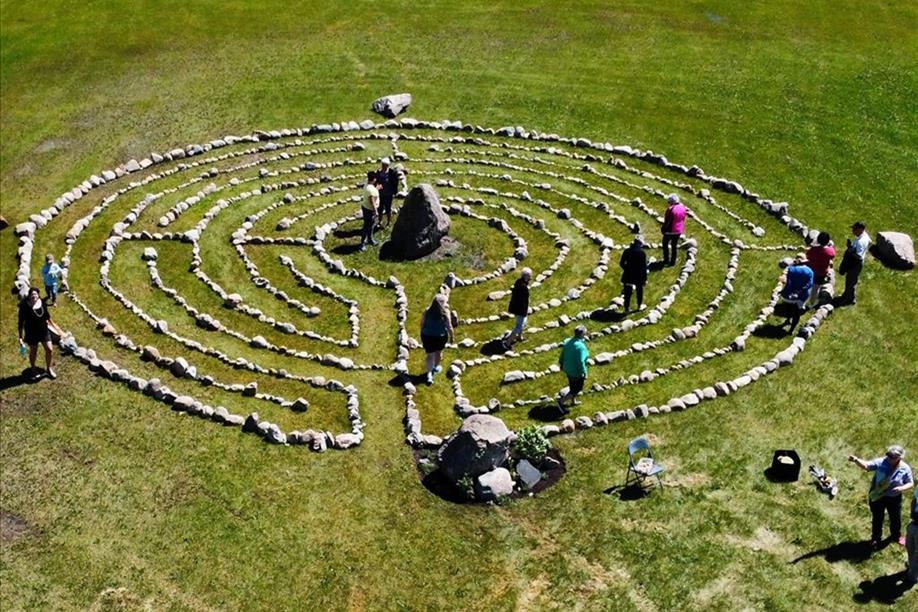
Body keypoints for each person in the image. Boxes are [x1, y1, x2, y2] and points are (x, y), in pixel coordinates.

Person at [848, 445, 914, 548]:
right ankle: (876, 538)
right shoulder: (881, 462)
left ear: (899, 457)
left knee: (895, 518)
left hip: (894, 498)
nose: (889, 458)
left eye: (892, 457)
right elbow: (867, 466)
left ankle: (896, 536)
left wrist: (901, 488)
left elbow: (910, 483)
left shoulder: (905, 468)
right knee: (877, 518)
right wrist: (856, 460)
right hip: (877, 495)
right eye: (888, 455)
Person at [17, 286, 63, 379]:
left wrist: (56, 328)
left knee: (49, 349)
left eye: (35, 294)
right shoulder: (24, 307)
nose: (34, 296)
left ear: (38, 295)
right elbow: (20, 323)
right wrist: (20, 337)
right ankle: (33, 369)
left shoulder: (41, 303)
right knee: (33, 352)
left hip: (43, 331)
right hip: (31, 333)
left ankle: (49, 369)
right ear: (29, 296)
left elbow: (47, 316)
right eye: (32, 294)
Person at [419, 293, 454, 385]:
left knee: (430, 355)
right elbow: (449, 326)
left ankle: (429, 375)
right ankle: (435, 367)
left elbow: (422, 323)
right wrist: (452, 336)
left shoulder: (427, 310)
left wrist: (423, 332)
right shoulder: (445, 312)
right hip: (440, 337)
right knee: (438, 352)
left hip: (427, 336)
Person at [557, 325, 589, 414]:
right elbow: (581, 361)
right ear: (582, 334)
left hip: (568, 368)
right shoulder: (581, 347)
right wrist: (584, 372)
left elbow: (563, 354)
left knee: (572, 386)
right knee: (576, 389)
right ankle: (561, 402)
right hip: (576, 371)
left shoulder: (568, 342)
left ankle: (573, 401)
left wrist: (561, 363)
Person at [838, 221, 870, 305]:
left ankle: (847, 299)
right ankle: (848, 297)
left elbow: (858, 256)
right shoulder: (864, 236)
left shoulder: (860, 242)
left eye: (854, 229)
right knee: (852, 281)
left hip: (855, 264)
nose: (852, 231)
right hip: (855, 263)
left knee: (850, 282)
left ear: (860, 229)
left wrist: (850, 248)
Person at [779, 256, 814, 332]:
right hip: (801, 296)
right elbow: (810, 284)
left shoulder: (791, 270)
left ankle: (788, 319)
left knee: (788, 308)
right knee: (796, 313)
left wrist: (786, 292)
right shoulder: (810, 271)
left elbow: (788, 283)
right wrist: (799, 292)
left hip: (788, 295)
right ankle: (791, 330)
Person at [805, 232, 835, 305]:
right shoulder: (829, 251)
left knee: (809, 285)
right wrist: (830, 246)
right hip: (821, 273)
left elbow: (808, 255)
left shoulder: (813, 250)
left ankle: (805, 300)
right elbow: (833, 255)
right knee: (816, 288)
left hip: (811, 270)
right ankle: (812, 303)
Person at [619, 236, 648, 312]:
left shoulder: (627, 251)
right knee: (639, 291)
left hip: (628, 274)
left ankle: (626, 309)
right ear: (640, 244)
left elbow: (621, 263)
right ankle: (639, 306)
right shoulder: (642, 253)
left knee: (627, 292)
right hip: (639, 276)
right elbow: (644, 267)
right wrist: (645, 279)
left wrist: (627, 269)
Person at [506, 267, 531, 345]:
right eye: (529, 275)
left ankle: (520, 337)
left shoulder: (518, 281)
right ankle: (508, 343)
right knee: (519, 326)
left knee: (521, 323)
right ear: (525, 276)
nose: (531, 277)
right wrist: (524, 312)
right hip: (520, 310)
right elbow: (523, 301)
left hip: (515, 307)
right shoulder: (523, 287)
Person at [661, 193, 687, 267]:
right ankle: (673, 262)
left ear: (671, 202)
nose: (668, 203)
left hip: (670, 231)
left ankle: (666, 260)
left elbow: (667, 221)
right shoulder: (683, 208)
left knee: (665, 244)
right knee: (674, 246)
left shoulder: (670, 209)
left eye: (669, 202)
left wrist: (663, 229)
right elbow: (683, 219)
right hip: (678, 231)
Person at [374, 157, 400, 228]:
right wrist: (376, 187)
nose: (383, 166)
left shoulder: (392, 173)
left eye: (385, 165)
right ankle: (380, 221)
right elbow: (375, 182)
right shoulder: (378, 173)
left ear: (388, 165)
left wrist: (395, 191)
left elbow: (395, 182)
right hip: (380, 194)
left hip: (388, 194)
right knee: (380, 209)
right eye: (382, 165)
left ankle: (389, 222)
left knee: (388, 209)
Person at [359, 171, 379, 251]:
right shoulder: (371, 190)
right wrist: (376, 211)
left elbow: (371, 193)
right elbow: (372, 201)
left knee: (371, 225)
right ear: (374, 179)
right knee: (367, 226)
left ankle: (370, 239)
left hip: (365, 207)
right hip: (369, 210)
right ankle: (362, 243)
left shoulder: (367, 185)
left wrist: (376, 189)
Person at [907, 488, 918, 584]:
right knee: (909, 546)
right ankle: (911, 565)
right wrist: (912, 512)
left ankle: (913, 577)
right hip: (914, 523)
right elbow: (914, 499)